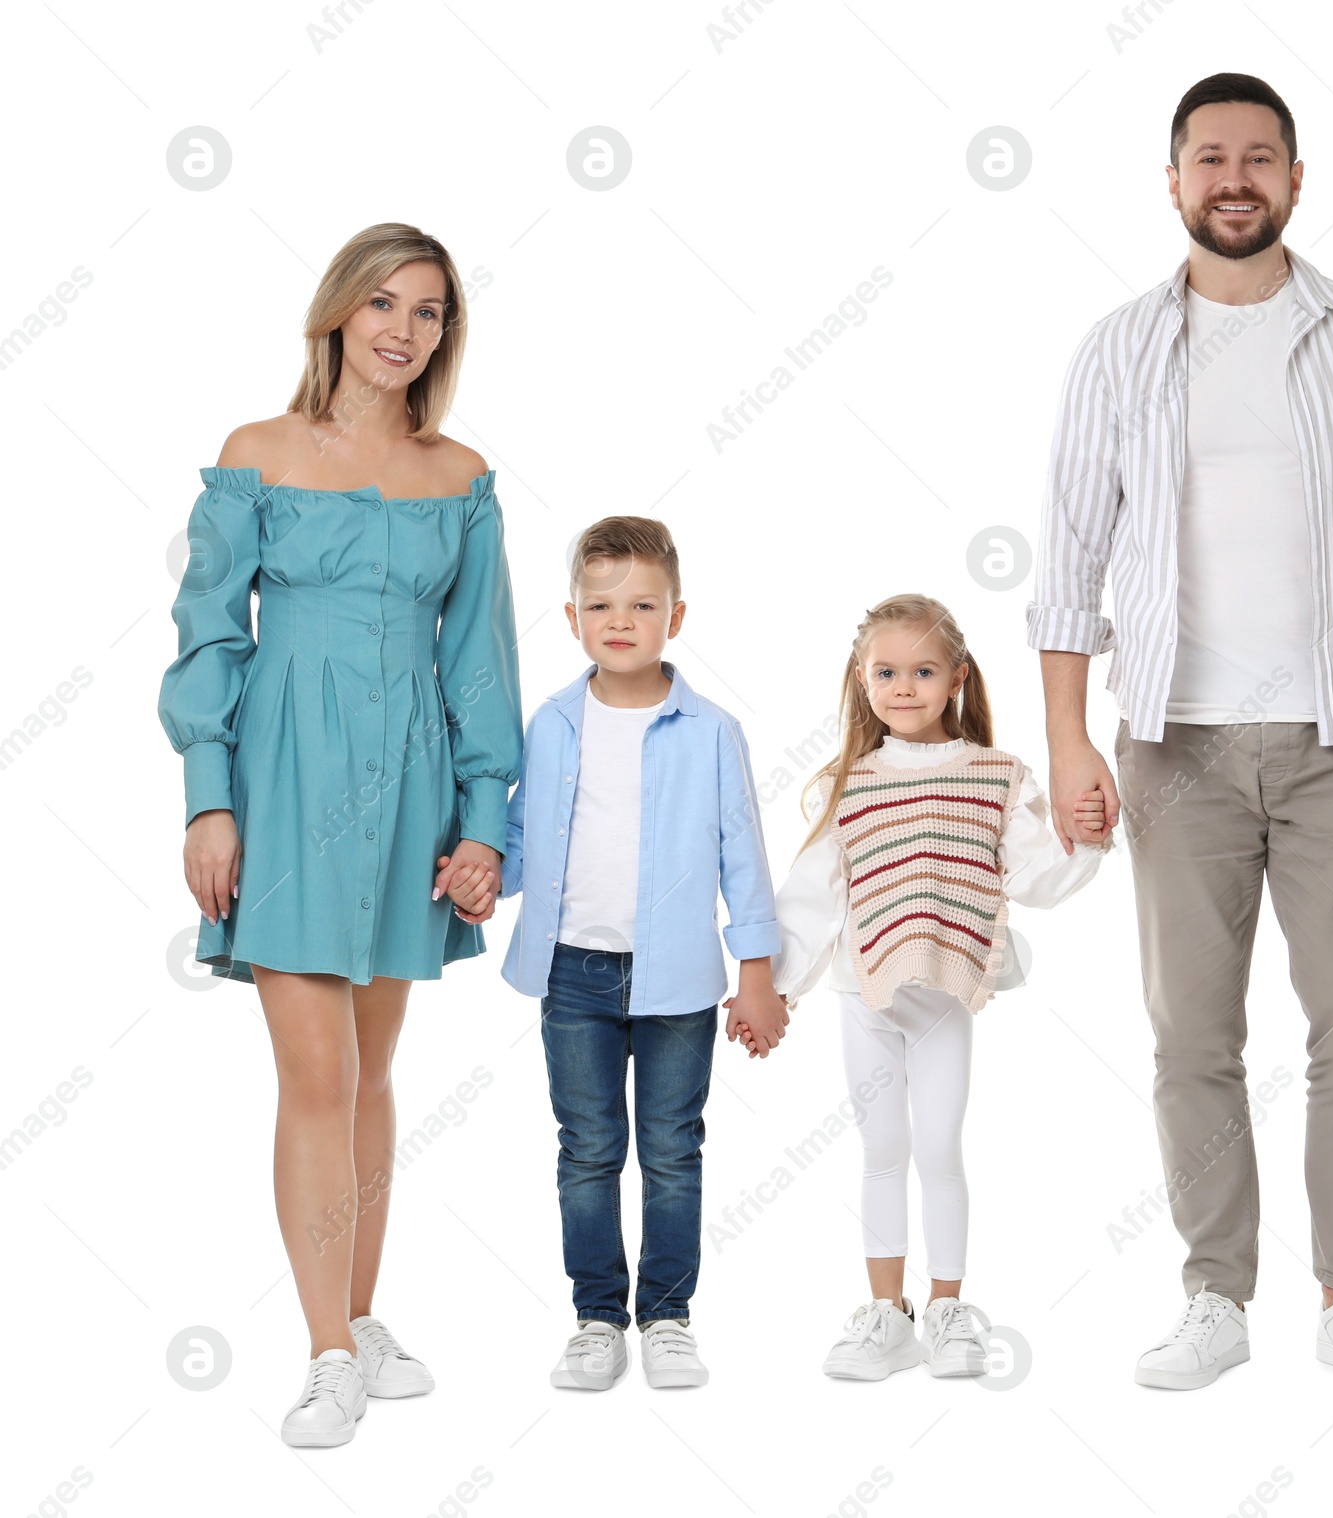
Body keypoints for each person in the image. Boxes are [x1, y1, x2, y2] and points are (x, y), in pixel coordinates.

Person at [1028, 74, 1333, 1391]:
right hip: (1174, 747)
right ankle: (1213, 1291)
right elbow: (1068, 558)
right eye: (1209, 158)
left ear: (1295, 179)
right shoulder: (1118, 347)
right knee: (1191, 1032)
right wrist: (1069, 739)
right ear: (1172, 182)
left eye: (1259, 158)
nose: (1234, 179)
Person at [157, 223, 523, 1445]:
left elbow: (478, 666)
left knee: (369, 1073)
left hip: (411, 788)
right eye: (381, 303)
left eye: (425, 311)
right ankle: (324, 1352)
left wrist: (486, 826)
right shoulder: (253, 456)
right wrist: (211, 794)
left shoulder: (463, 477)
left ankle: (361, 1320)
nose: (401, 330)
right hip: (285, 781)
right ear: (335, 314)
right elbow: (210, 634)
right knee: (314, 1073)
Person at [763, 594, 1108, 1380]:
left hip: (946, 995)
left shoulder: (993, 777)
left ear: (956, 677)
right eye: (887, 672)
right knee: (882, 1147)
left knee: (939, 1146)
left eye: (923, 671)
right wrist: (775, 987)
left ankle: (949, 1308)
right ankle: (888, 1314)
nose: (905, 687)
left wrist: (1085, 838)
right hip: (864, 993)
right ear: (862, 679)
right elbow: (812, 895)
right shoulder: (846, 784)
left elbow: (1035, 873)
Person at [497, 516, 789, 1392]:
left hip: (681, 983)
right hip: (573, 972)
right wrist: (480, 871)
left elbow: (744, 853)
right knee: (587, 1148)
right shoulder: (549, 724)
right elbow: (518, 835)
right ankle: (597, 1317)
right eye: (600, 604)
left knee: (672, 1148)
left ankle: (666, 1316)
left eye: (641, 604)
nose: (619, 620)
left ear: (677, 616)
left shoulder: (710, 731)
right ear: (571, 616)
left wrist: (759, 974)